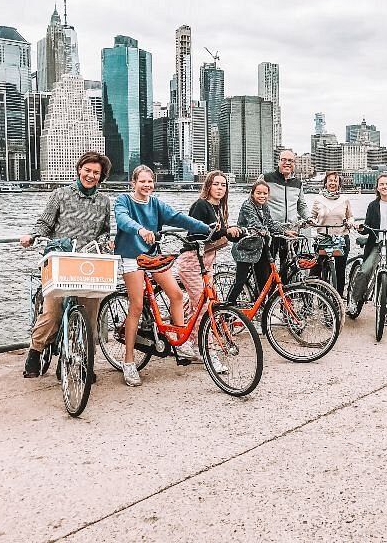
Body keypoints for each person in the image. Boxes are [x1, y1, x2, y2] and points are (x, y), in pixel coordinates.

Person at [114, 165, 212, 387]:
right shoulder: (124, 201)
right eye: (142, 182)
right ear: (133, 183)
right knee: (137, 306)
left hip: (153, 256)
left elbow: (178, 218)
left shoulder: (156, 203)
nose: (147, 185)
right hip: (132, 257)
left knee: (176, 295)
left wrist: (207, 228)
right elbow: (122, 220)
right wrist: (140, 230)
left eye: (150, 182)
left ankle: (179, 343)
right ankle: (128, 361)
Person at [20, 151, 113, 379]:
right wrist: (32, 236)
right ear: (79, 169)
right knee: (52, 313)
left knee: (90, 317)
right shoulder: (60, 195)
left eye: (96, 173)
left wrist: (106, 242)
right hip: (59, 261)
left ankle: (81, 360)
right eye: (87, 170)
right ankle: (35, 350)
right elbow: (44, 223)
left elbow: (105, 231)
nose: (91, 176)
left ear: (101, 177)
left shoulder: (103, 201)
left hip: (88, 264)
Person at [175, 170, 241, 364]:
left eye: (223, 185)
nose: (220, 188)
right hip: (192, 261)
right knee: (205, 307)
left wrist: (234, 233)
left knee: (197, 306)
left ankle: (188, 343)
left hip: (207, 262)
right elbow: (195, 234)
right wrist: (223, 231)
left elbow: (219, 235)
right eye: (216, 184)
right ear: (208, 186)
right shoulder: (200, 205)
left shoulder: (219, 207)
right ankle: (208, 351)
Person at [347, 173, 387, 327]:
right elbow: (368, 227)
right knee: (365, 270)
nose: (385, 187)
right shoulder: (373, 205)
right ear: (377, 187)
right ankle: (354, 300)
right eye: (381, 184)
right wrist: (361, 228)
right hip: (376, 244)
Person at [226, 181, 294, 305]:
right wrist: (265, 231)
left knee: (266, 279)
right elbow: (256, 225)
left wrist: (286, 231)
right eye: (259, 193)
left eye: (265, 193)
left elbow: (270, 224)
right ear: (252, 194)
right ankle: (227, 307)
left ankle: (260, 305)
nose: (262, 196)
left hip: (259, 247)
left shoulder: (265, 207)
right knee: (240, 281)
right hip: (245, 249)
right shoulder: (247, 205)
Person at [261, 149, 309, 279]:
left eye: (290, 160)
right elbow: (256, 199)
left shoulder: (298, 183)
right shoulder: (266, 178)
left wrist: (309, 218)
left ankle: (284, 295)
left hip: (291, 232)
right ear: (278, 162)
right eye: (284, 160)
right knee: (266, 266)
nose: (287, 163)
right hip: (272, 231)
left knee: (287, 266)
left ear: (294, 163)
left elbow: (301, 205)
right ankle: (265, 295)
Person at [310, 171, 354, 296]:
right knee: (317, 268)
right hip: (323, 239)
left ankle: (338, 298)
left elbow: (351, 217)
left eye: (335, 181)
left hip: (341, 238)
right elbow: (312, 216)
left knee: (340, 270)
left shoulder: (345, 200)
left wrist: (350, 223)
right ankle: (312, 295)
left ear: (339, 184)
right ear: (325, 183)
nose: (333, 183)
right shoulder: (318, 199)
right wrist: (312, 221)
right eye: (330, 180)